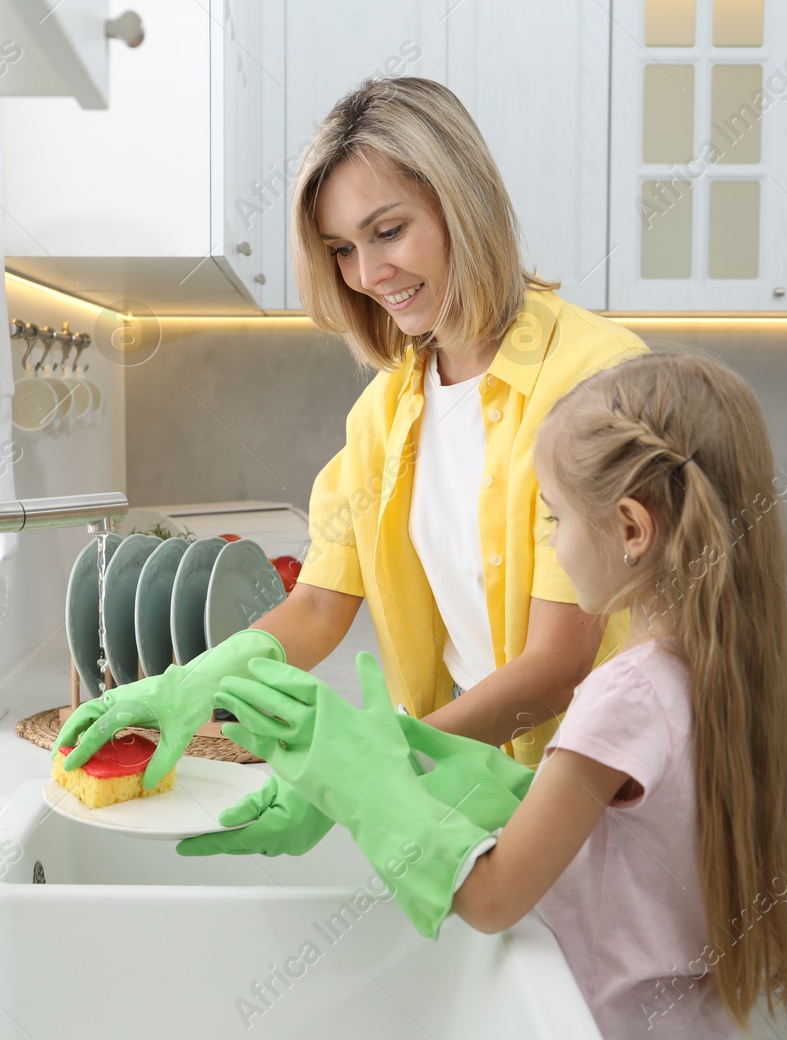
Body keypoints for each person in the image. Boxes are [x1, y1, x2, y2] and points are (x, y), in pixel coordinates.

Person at [55, 75, 647, 857]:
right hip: (473, 782)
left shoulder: (594, 381)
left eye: (388, 231)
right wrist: (195, 684)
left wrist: (374, 767)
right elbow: (315, 609)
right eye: (341, 249)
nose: (367, 274)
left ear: (461, 204)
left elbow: (555, 665)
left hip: (607, 801)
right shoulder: (385, 414)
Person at [219, 349, 787, 1040]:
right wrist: (478, 776)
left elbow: (494, 898)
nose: (554, 546)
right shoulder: (712, 666)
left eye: (555, 517)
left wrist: (360, 778)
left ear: (630, 528)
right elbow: (629, 846)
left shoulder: (624, 694)